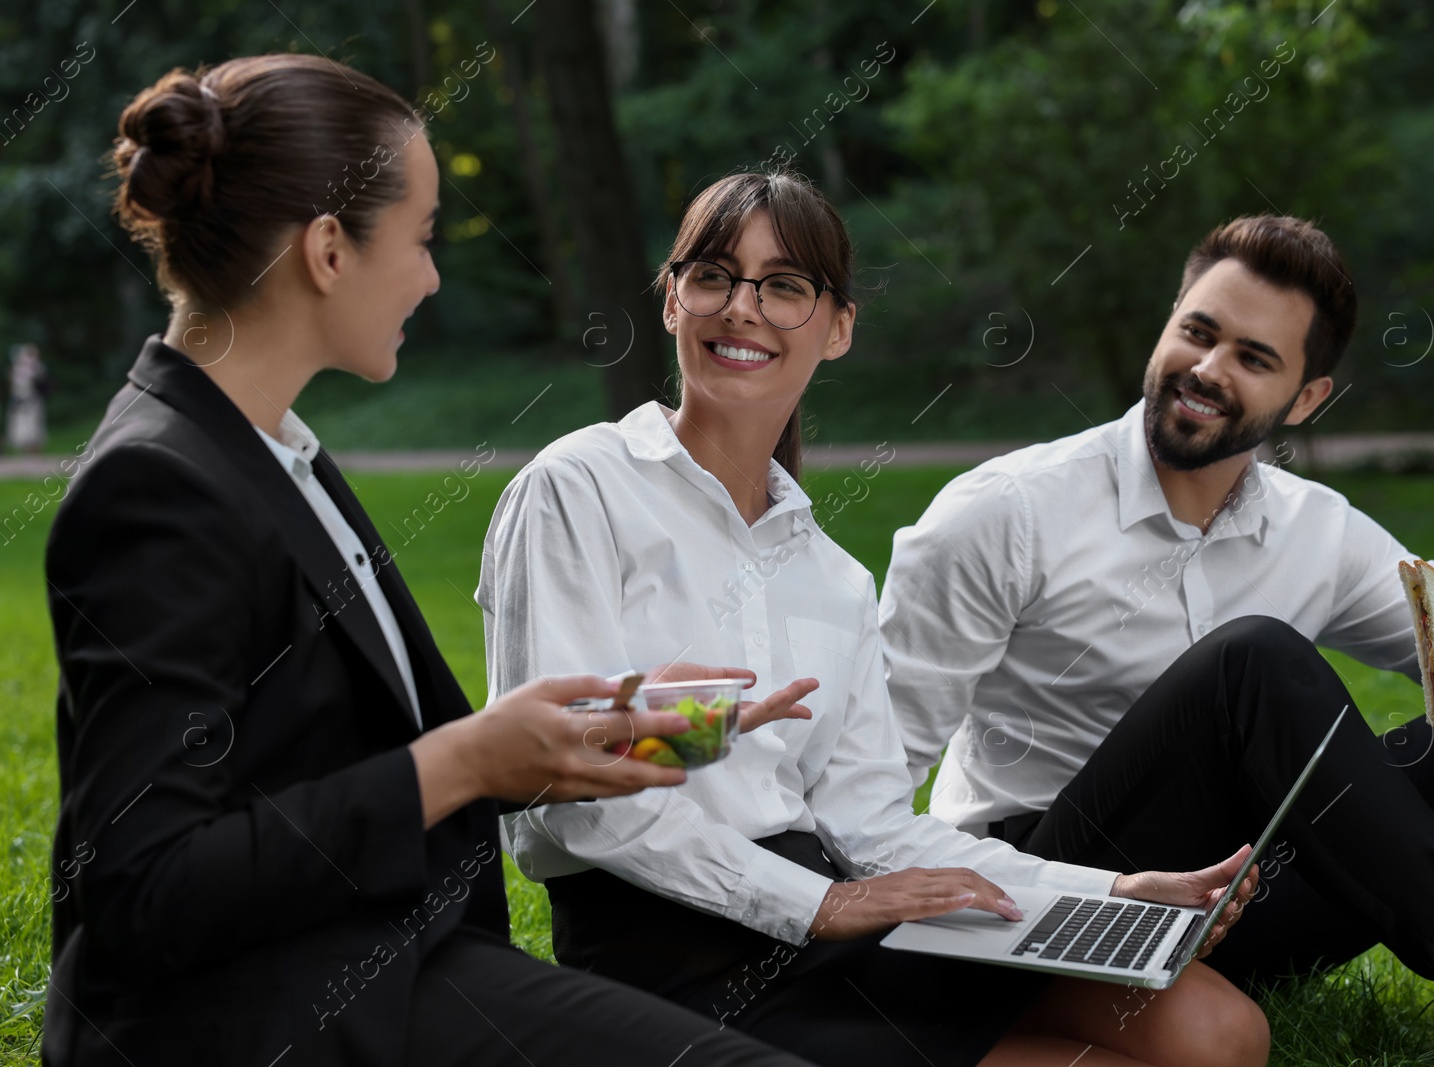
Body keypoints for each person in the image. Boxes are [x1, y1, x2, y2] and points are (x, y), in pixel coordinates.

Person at [44, 55, 820, 1067]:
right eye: (419, 238)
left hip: (373, 960)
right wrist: (461, 762)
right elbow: (144, 885)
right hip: (265, 1013)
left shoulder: (267, 449)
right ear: (328, 250)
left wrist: (573, 734)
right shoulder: (159, 483)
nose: (432, 273)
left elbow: (310, 751)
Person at [479, 170, 1271, 1067]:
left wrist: (1112, 891)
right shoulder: (578, 487)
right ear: (672, 301)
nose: (742, 309)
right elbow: (561, 792)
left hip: (838, 920)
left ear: (838, 326)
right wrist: (814, 906)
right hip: (668, 955)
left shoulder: (833, 578)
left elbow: (871, 824)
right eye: (712, 276)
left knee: (1220, 1031)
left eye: (784, 287)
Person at [880, 215, 1434, 1065]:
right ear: (1170, 320)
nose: (1208, 371)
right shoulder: (1005, 512)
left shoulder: (1314, 530)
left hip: (1236, 901)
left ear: (1305, 399)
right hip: (1047, 892)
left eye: (1254, 359)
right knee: (1251, 660)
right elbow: (870, 783)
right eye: (1198, 332)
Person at [7, 342, 50, 452]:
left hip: (33, 401)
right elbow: (15, 385)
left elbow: (40, 379)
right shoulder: (18, 369)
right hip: (21, 401)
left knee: (35, 426)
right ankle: (26, 452)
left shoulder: (37, 367)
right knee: (22, 427)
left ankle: (35, 451)